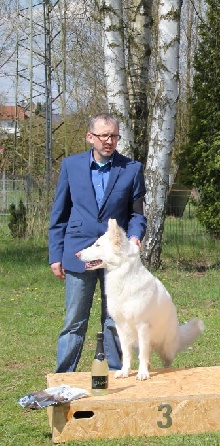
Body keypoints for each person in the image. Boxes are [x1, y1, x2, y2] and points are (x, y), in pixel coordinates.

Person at [48, 113, 147, 372]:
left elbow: (137, 214)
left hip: (116, 260)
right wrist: (56, 254)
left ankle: (115, 372)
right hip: (79, 253)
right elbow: (60, 214)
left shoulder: (132, 169)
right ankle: (63, 376)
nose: (110, 141)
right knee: (74, 320)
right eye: (104, 136)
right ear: (90, 137)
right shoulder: (71, 166)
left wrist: (135, 236)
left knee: (115, 318)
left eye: (114, 136)